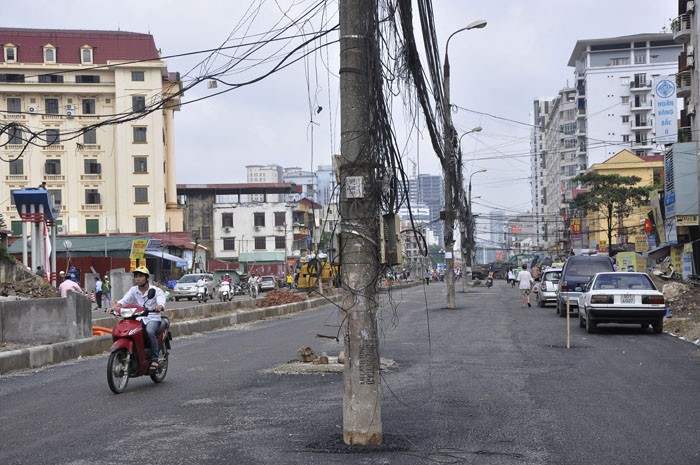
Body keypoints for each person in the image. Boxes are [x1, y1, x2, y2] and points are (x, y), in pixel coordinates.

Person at [114, 266, 166, 371]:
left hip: (152, 318)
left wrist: (159, 306)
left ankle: (154, 359)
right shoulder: (133, 290)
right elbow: (125, 300)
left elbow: (161, 301)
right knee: (127, 330)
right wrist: (116, 306)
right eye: (136, 276)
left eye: (140, 276)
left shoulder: (155, 290)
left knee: (149, 331)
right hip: (138, 318)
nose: (138, 279)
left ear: (146, 278)